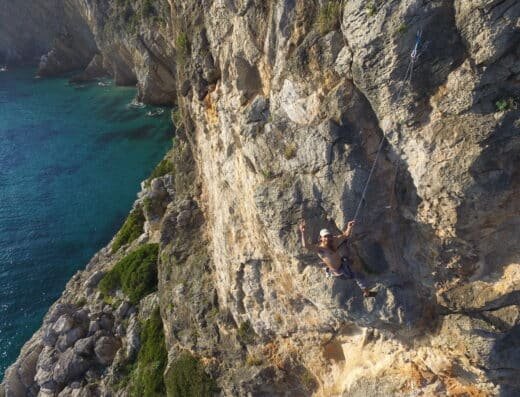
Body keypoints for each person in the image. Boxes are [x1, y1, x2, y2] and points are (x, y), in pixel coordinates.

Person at [299, 219, 371, 297]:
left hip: (342, 263)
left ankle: (352, 270)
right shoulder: (321, 249)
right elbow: (306, 246)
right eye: (325, 237)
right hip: (339, 271)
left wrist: (349, 227)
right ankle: (367, 293)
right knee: (358, 276)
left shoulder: (334, 240)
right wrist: (303, 232)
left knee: (351, 261)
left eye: (329, 236)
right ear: (321, 238)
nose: (328, 238)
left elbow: (345, 235)